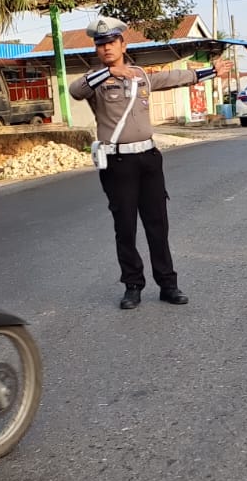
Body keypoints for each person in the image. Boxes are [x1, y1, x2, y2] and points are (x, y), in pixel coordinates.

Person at [70, 16, 213, 309]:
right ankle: (132, 286)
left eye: (112, 42)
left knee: (158, 225)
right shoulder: (95, 80)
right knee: (125, 228)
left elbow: (171, 78)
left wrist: (209, 72)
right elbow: (76, 90)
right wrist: (110, 72)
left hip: (148, 159)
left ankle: (168, 285)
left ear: (123, 45)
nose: (107, 48)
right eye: (101, 44)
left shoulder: (141, 76)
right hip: (117, 162)